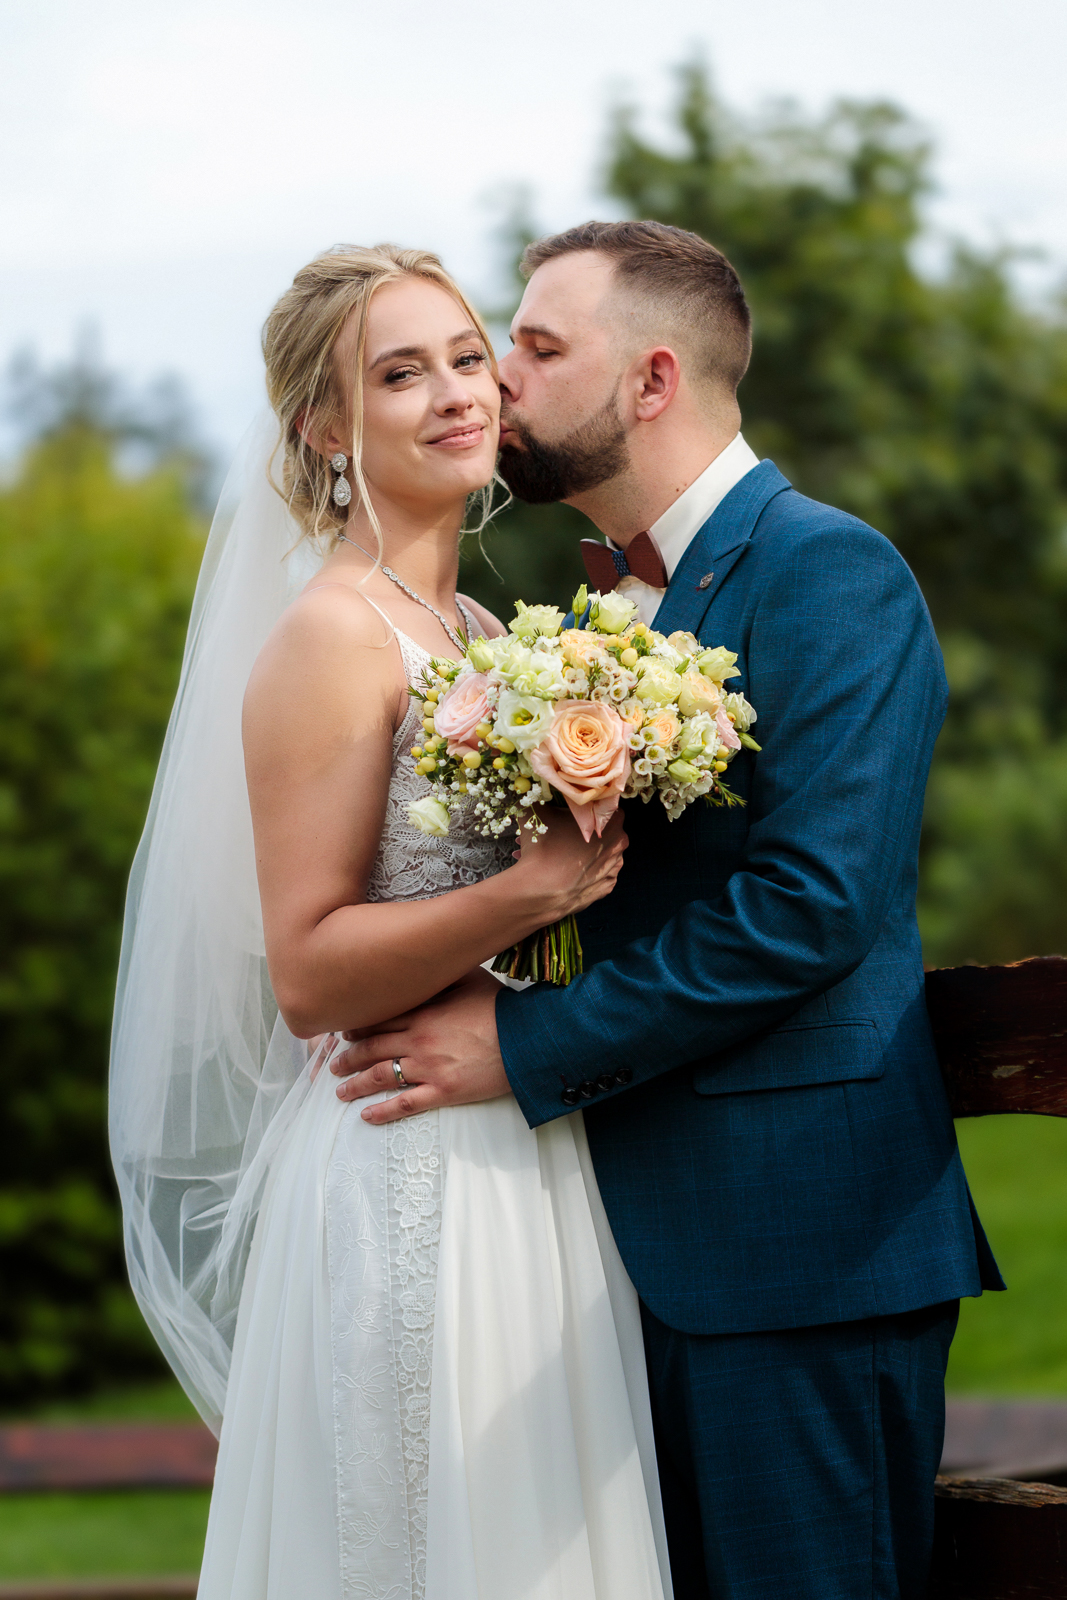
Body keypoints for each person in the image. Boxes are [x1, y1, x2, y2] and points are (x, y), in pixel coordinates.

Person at [331, 220, 1005, 1600]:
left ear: (651, 381)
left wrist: (521, 1044)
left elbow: (811, 905)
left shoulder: (830, 572)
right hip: (597, 1252)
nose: (498, 381)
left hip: (797, 1254)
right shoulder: (590, 611)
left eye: (536, 347)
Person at [109, 244, 674, 1600]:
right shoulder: (330, 636)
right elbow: (307, 973)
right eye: (402, 374)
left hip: (521, 1143)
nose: (458, 393)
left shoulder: (469, 622)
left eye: (469, 358)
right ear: (325, 425)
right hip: (406, 1156)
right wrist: (529, 891)